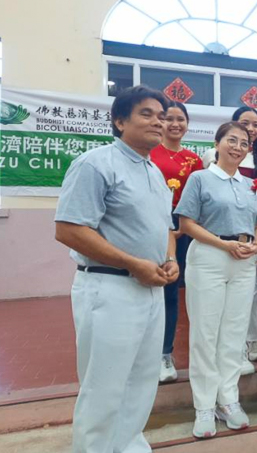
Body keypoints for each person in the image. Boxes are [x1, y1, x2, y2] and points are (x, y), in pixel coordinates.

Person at [55, 86, 177, 453]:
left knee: (141, 381)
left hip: (151, 288)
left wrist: (169, 258)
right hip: (110, 288)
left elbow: (165, 228)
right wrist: (132, 264)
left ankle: (129, 446)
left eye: (162, 115)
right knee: (104, 386)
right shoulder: (96, 164)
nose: (158, 121)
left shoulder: (154, 172)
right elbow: (68, 230)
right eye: (146, 113)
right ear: (119, 121)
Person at [175, 122, 257, 438]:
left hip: (244, 261)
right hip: (210, 258)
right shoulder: (200, 179)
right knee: (205, 332)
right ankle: (203, 405)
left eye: (244, 143)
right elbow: (186, 223)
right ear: (216, 143)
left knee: (233, 333)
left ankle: (228, 399)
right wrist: (223, 244)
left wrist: (256, 244)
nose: (238, 147)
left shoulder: (250, 184)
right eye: (232, 140)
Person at [203, 108, 257, 370]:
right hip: (215, 243)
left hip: (250, 242)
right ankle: (223, 354)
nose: (252, 129)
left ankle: (251, 340)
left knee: (252, 293)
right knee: (217, 301)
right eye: (245, 124)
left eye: (256, 125)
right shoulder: (211, 158)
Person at [151, 101, 203, 383]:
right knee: (148, 288)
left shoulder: (193, 161)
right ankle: (145, 352)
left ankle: (164, 354)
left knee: (173, 291)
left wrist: (184, 224)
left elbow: (196, 200)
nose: (174, 124)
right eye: (168, 118)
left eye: (180, 119)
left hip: (182, 229)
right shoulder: (148, 153)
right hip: (150, 227)